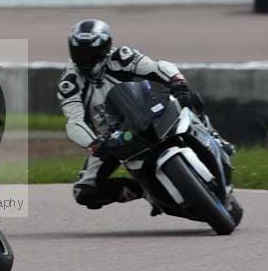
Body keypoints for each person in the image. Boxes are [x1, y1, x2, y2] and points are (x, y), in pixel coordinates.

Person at [57, 18, 230, 211]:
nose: (84, 58)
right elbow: (74, 121)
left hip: (147, 111)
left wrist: (177, 82)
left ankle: (214, 136)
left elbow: (156, 67)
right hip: (111, 138)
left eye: (90, 53)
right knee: (84, 193)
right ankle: (143, 190)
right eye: (79, 52)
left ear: (105, 47)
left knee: (190, 98)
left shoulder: (122, 57)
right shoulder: (70, 82)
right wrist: (94, 144)